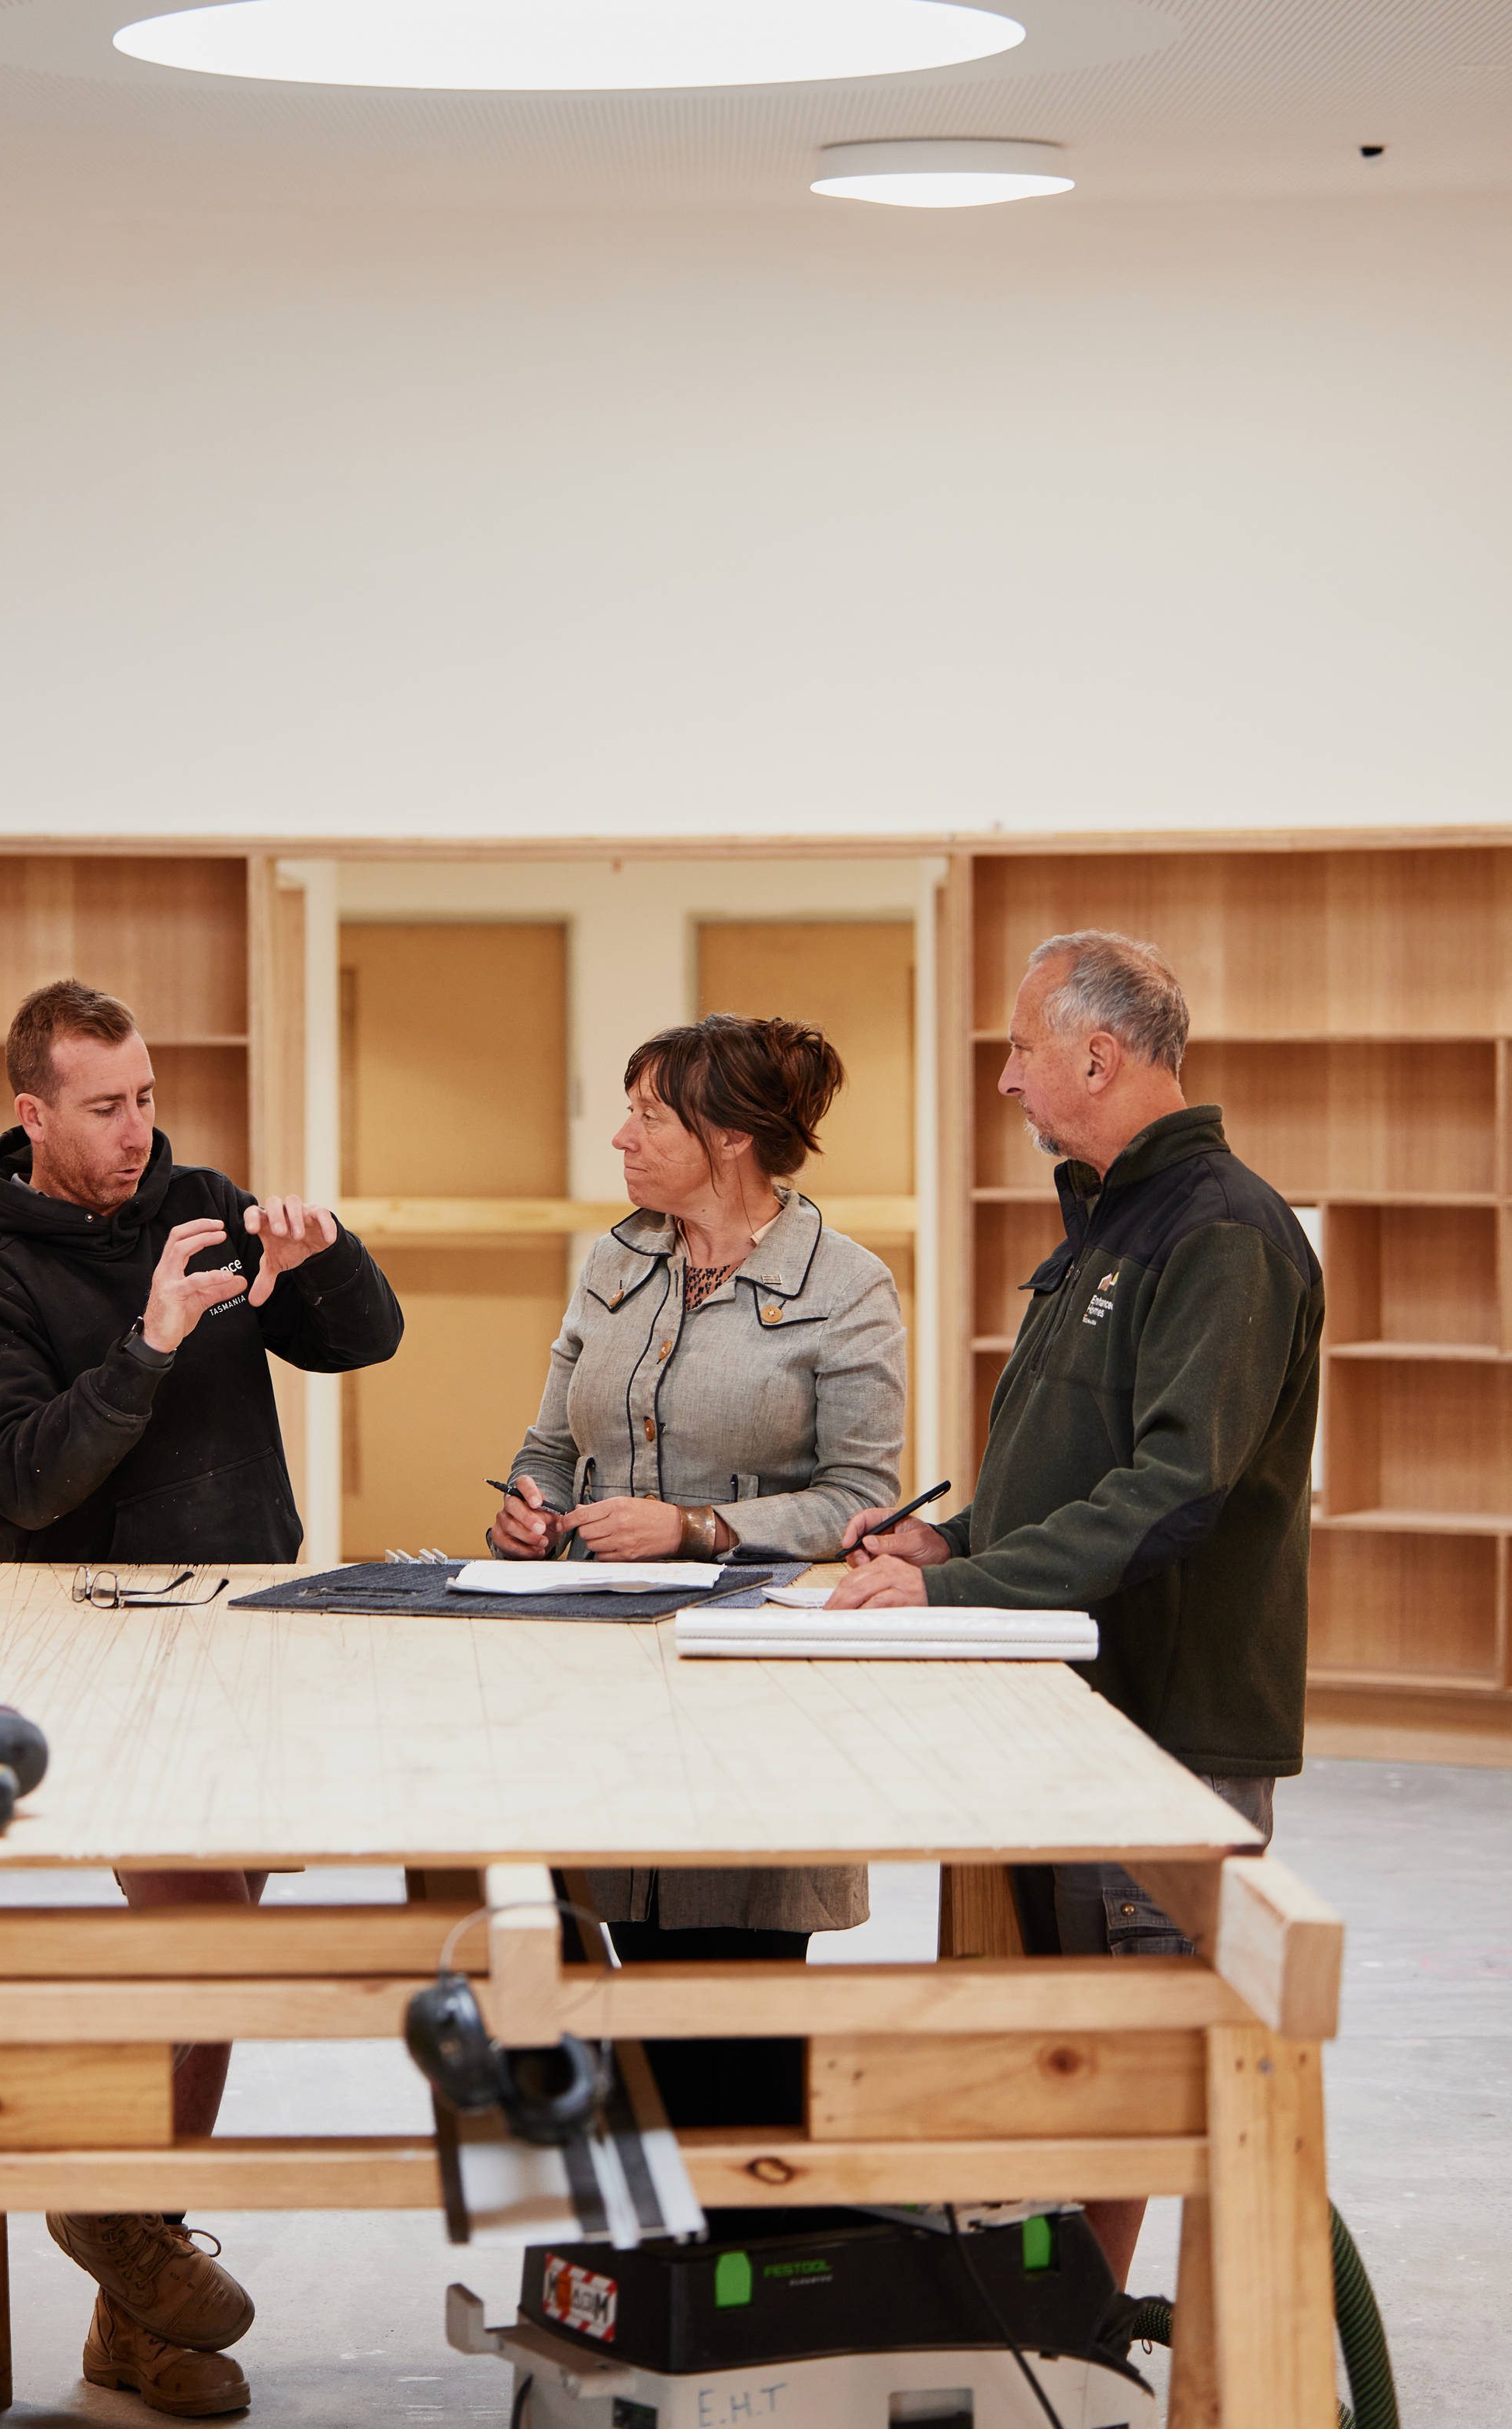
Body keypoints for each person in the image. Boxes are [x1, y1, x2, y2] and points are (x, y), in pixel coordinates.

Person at [0, 976, 403, 2418]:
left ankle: (130, 2305)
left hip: (250, 1614)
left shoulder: (198, 1193)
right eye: (105, 1107)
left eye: (145, 1097)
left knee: (222, 1936)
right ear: (34, 1115)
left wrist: (320, 1259)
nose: (139, 1131)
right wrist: (145, 1342)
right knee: (202, 1934)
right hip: (93, 1636)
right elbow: (26, 1479)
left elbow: (362, 1340)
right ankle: (112, 2209)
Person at [831, 930, 1322, 2278]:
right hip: (1068, 1711)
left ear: (1098, 1055)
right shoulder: (1110, 1223)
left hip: (1164, 1726)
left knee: (1134, 2066)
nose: (1005, 1079)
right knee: (1070, 2045)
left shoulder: (1220, 1232)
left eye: (1021, 1048)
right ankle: (1061, 2329)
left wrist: (962, 1593)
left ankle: (1087, 2341)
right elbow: (1073, 1472)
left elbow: (1175, 1488)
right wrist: (951, 1544)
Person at [490, 1012, 907, 2120]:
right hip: (594, 1670)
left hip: (748, 1684)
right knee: (600, 1978)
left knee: (734, 2001)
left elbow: (864, 1498)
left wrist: (699, 1531)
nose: (620, 1139)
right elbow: (548, 1448)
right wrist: (532, 1510)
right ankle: (643, 2260)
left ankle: (744, 2260)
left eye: (646, 1116)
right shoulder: (617, 1257)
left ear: (728, 1138)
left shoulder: (850, 1286)